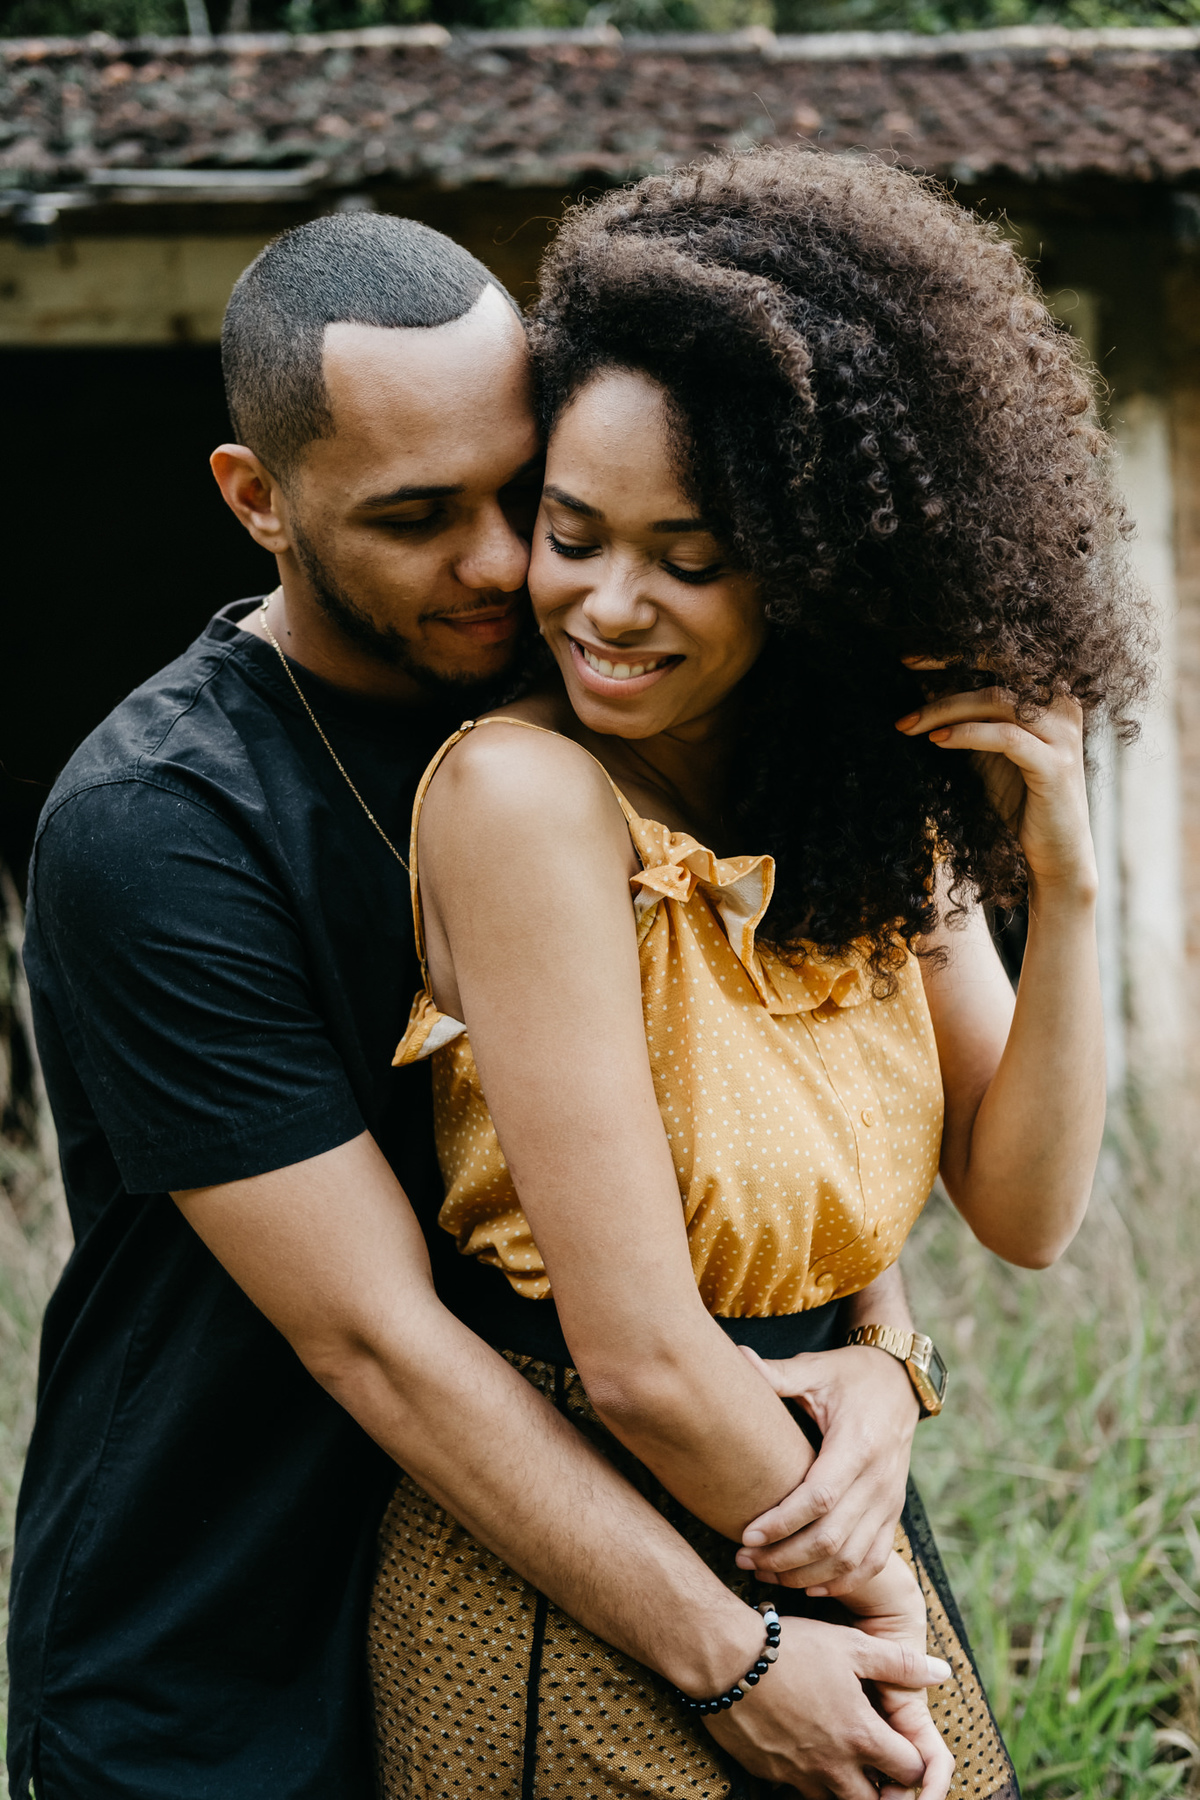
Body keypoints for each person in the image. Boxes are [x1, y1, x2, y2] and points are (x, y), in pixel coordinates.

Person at [8, 210, 948, 1800]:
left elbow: (769, 1097)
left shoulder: (614, 711)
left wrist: (879, 1359)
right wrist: (737, 1659)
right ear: (258, 502)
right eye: (420, 516)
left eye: (529, 494)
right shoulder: (159, 826)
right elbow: (377, 1339)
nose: (509, 562)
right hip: (228, 1649)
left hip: (577, 1578)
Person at [366, 149, 1151, 1799]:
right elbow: (647, 1358)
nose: (608, 606)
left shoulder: (859, 811)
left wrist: (1063, 883)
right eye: (573, 536)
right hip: (596, 1573)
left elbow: (1025, 1210)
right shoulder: (528, 801)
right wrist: (882, 1609)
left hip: (808, 1513)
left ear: (808, 569)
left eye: (691, 558)